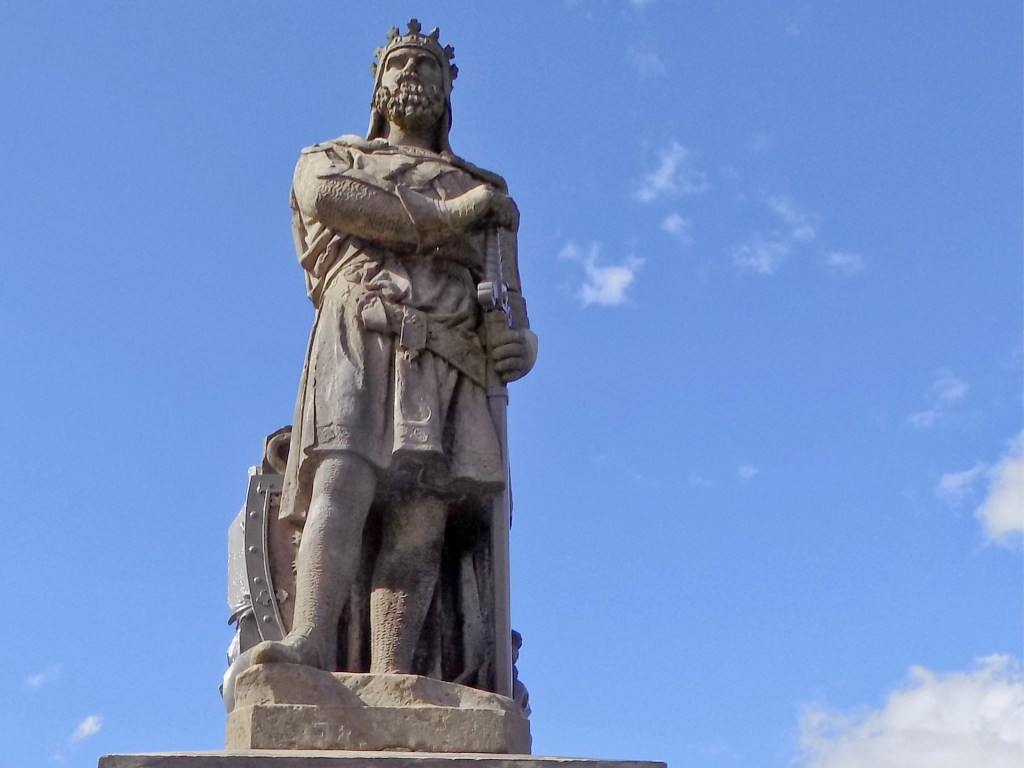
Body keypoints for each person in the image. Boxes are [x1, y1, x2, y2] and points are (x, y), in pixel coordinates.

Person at [245, 20, 536, 689]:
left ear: (447, 91)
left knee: (421, 514)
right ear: (377, 87)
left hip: (449, 353)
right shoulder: (331, 158)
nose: (412, 76)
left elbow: (508, 301)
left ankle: (392, 672)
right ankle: (310, 639)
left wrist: (520, 344)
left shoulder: (484, 189)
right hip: (361, 332)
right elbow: (335, 201)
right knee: (341, 482)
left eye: (426, 67)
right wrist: (453, 217)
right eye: (399, 65)